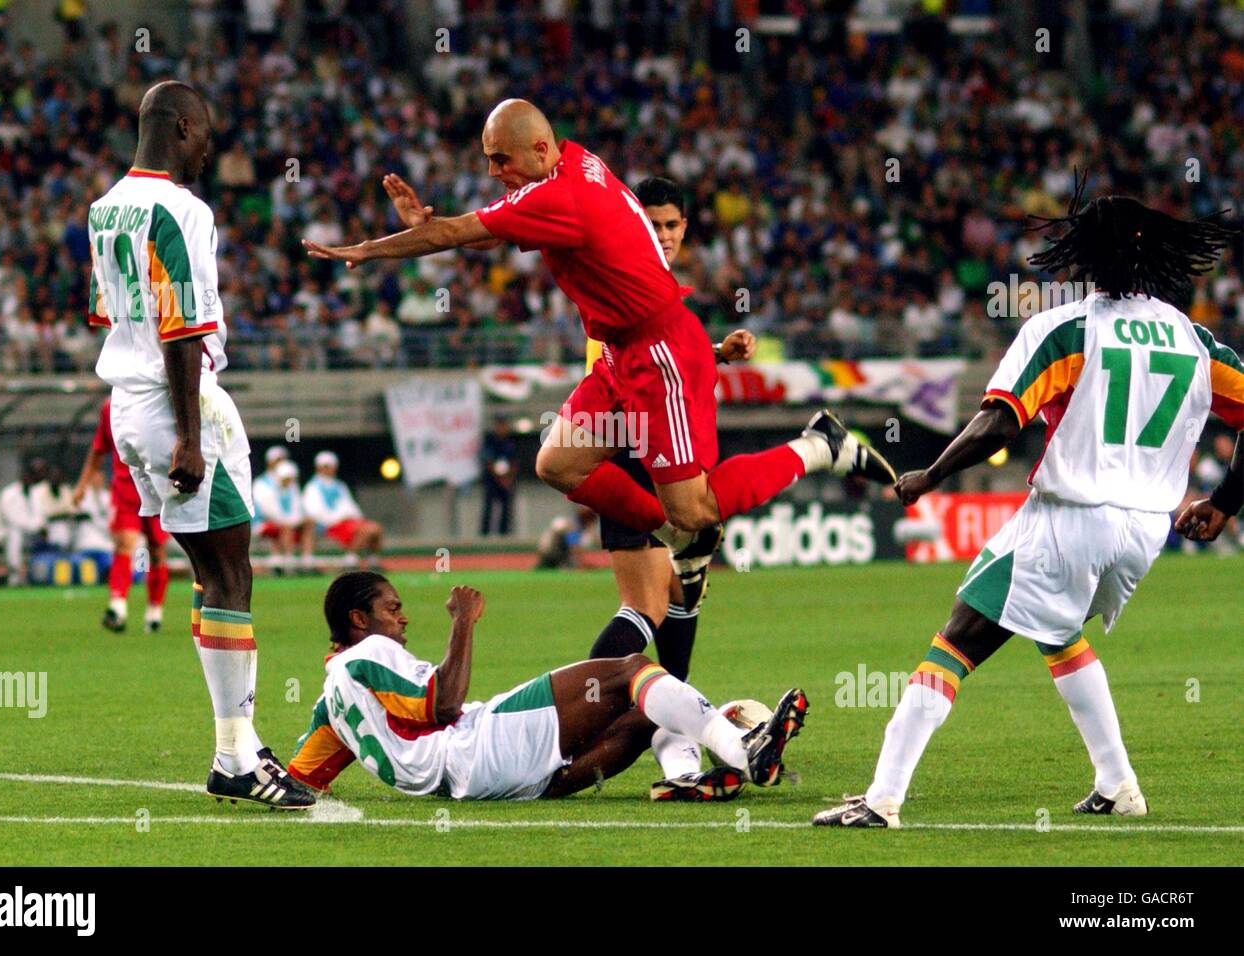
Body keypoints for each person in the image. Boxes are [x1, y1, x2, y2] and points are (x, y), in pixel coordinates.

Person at [302, 98, 895, 613]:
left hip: (660, 353)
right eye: (487, 158)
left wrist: (367, 249)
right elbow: (483, 225)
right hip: (623, 353)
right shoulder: (574, 162)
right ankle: (678, 539)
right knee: (557, 464)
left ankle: (819, 447)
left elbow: (457, 236)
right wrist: (440, 223)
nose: (492, 171)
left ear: (538, 149)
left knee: (698, 507)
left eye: (499, 159)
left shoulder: (561, 196)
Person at [813, 185, 1243, 829]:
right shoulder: (1195, 342)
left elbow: (998, 423)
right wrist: (1226, 503)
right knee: (1055, 629)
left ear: (1085, 254)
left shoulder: (1062, 328)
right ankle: (1118, 783)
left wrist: (929, 474)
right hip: (1145, 532)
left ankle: (881, 799)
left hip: (1070, 518)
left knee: (957, 637)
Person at [87, 80, 313, 808]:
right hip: (179, 407)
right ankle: (233, 757)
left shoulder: (104, 208)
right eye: (206, 131)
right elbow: (183, 326)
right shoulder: (181, 209)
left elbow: (109, 314)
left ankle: (239, 748)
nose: (210, 146)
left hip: (126, 402)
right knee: (232, 576)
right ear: (181, 126)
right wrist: (190, 432)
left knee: (206, 574)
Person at [286, 571, 808, 801]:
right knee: (630, 669)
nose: (403, 620)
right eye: (392, 609)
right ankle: (744, 751)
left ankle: (686, 778)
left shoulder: (330, 703)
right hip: (477, 743)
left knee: (645, 713)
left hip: (496, 784)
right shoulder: (371, 654)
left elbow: (300, 781)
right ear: (359, 619)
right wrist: (463, 620)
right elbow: (444, 706)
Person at [587, 176, 760, 801]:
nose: (663, 236)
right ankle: (565, 717)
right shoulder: (619, 274)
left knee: (685, 591)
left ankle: (672, 732)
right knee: (648, 608)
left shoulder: (655, 286)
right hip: (636, 457)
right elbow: (620, 374)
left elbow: (660, 361)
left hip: (668, 453)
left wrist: (715, 352)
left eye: (672, 226)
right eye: (652, 225)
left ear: (686, 228)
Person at [72, 397, 171, 633]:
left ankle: (154, 611)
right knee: (125, 546)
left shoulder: (157, 400)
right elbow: (98, 449)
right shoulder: (110, 407)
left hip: (155, 488)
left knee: (156, 552)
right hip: (125, 489)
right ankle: (117, 606)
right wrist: (82, 485)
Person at [303, 450, 383, 567]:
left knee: (376, 529)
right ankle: (350, 560)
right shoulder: (313, 487)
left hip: (347, 522)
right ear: (319, 468)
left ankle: (372, 561)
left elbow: (350, 506)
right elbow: (314, 511)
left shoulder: (340, 485)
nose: (329, 469)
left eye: (330, 466)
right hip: (330, 524)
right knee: (369, 530)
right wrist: (338, 518)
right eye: (325, 466)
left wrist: (353, 517)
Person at [0, 459, 48, 585]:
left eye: (30, 477)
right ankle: (14, 574)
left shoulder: (36, 493)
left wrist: (36, 526)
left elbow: (40, 516)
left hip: (29, 532)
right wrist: (33, 526)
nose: (27, 479)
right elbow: (12, 519)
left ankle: (39, 574)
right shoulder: (8, 493)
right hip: (3, 532)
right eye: (25, 476)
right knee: (15, 533)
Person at [253, 459, 314, 574]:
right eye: (286, 478)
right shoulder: (269, 490)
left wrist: (299, 520)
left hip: (286, 524)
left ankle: (307, 561)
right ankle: (288, 563)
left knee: (307, 524)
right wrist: (292, 521)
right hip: (264, 525)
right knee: (286, 528)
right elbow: (272, 514)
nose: (289, 481)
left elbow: (297, 511)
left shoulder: (293, 490)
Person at [479, 415, 519, 536]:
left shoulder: (510, 442)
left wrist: (508, 479)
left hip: (507, 480)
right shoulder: (490, 441)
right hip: (492, 481)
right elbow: (488, 461)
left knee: (506, 509)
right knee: (488, 508)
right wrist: (500, 478)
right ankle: (484, 535)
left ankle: (504, 535)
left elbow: (514, 462)